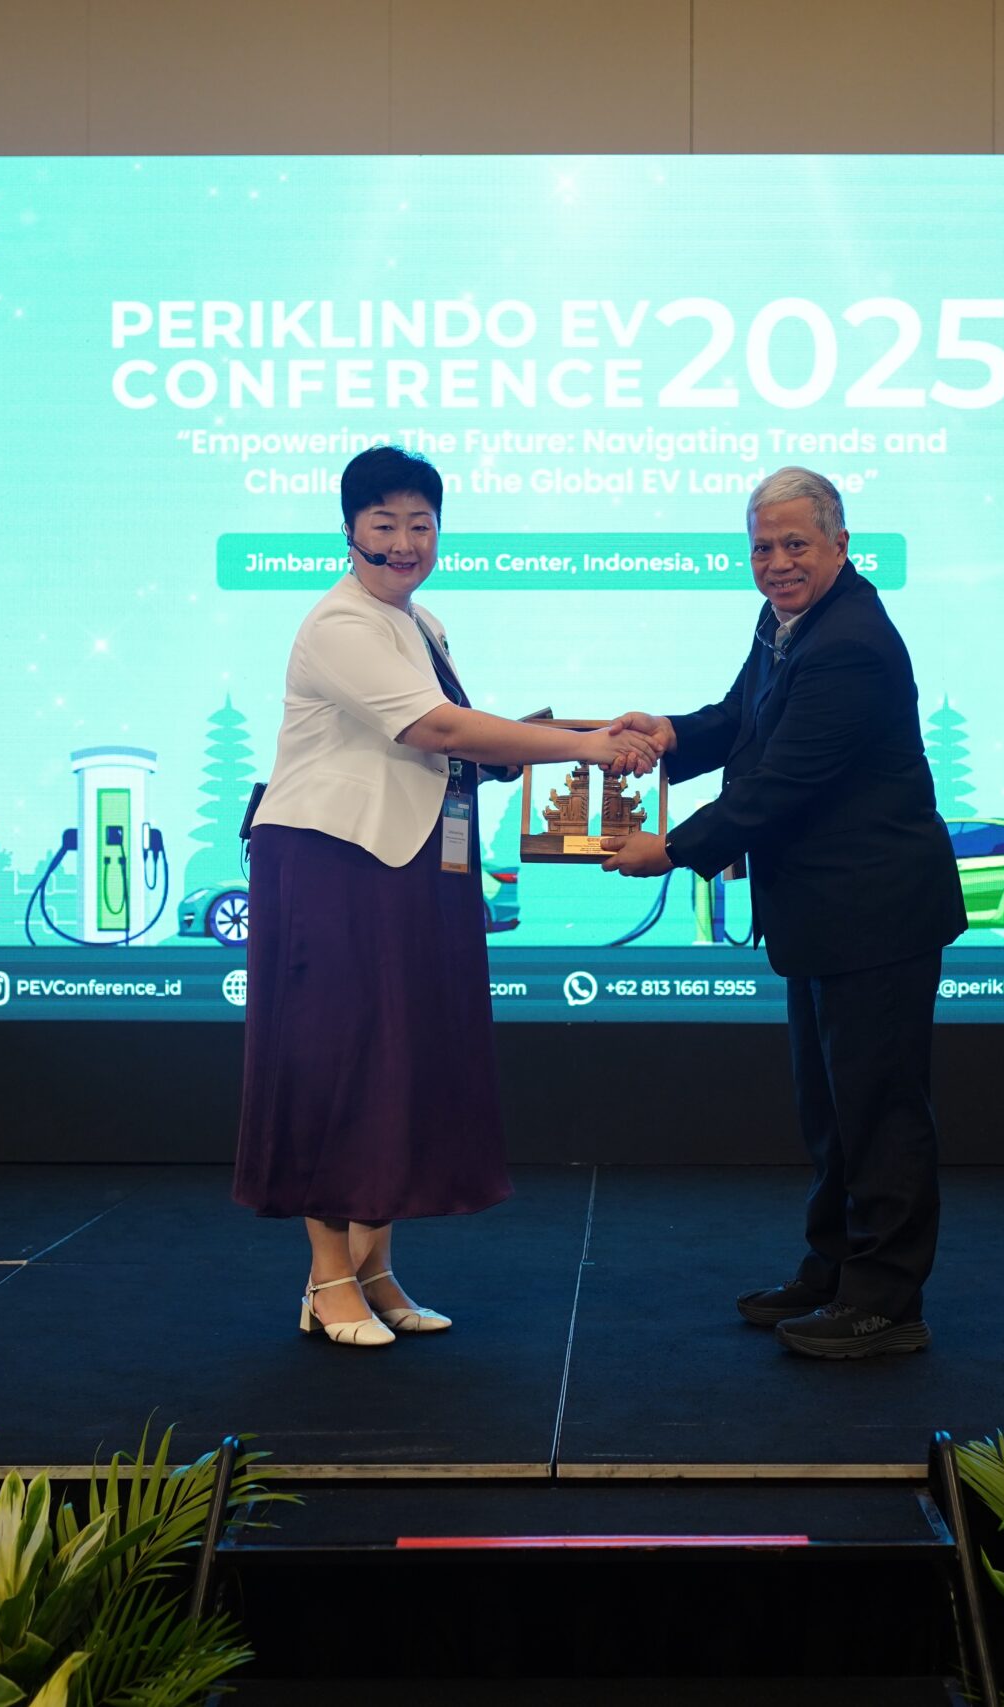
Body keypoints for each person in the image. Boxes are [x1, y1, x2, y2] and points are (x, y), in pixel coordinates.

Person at [236, 444, 657, 1347]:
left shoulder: (421, 622)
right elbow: (435, 727)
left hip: (410, 862)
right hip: (334, 863)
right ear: (348, 530)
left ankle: (376, 1272)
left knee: (401, 1063)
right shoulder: (339, 624)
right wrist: (586, 747)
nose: (404, 542)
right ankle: (326, 1281)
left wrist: (533, 747)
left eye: (420, 524)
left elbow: (456, 744)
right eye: (383, 523)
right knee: (338, 1062)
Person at [600, 467, 964, 1359]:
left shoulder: (851, 642)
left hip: (876, 914)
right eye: (763, 546)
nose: (777, 562)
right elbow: (744, 719)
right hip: (826, 913)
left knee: (879, 1111)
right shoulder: (785, 621)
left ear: (841, 543)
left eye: (796, 543)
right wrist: (670, 734)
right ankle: (834, 1268)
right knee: (832, 1110)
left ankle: (885, 1301)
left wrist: (668, 849)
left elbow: (783, 782)